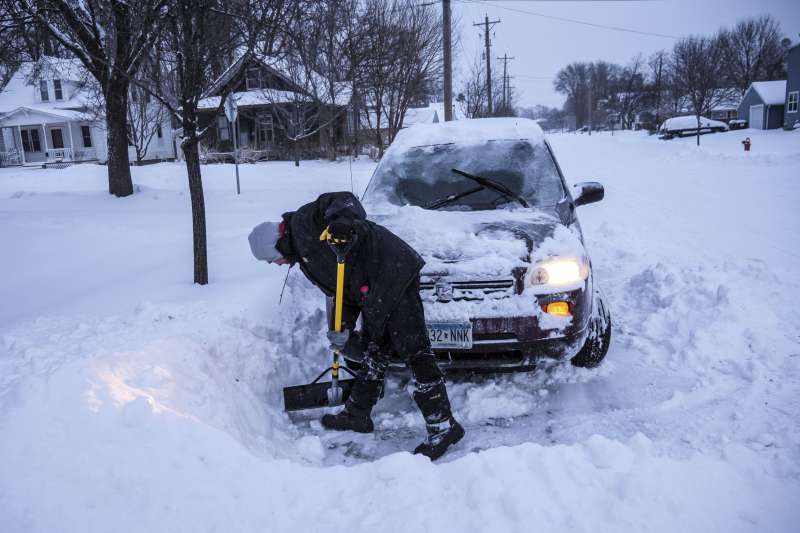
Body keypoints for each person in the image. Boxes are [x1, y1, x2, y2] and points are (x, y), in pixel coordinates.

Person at [248, 191, 464, 460]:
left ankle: (444, 426)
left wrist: (341, 223)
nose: (276, 264)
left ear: (275, 245)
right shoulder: (304, 259)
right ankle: (357, 415)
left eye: (272, 259)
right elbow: (341, 289)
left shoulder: (304, 221)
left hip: (392, 271)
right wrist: (343, 327)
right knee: (375, 349)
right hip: (371, 290)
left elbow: (342, 199)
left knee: (414, 349)